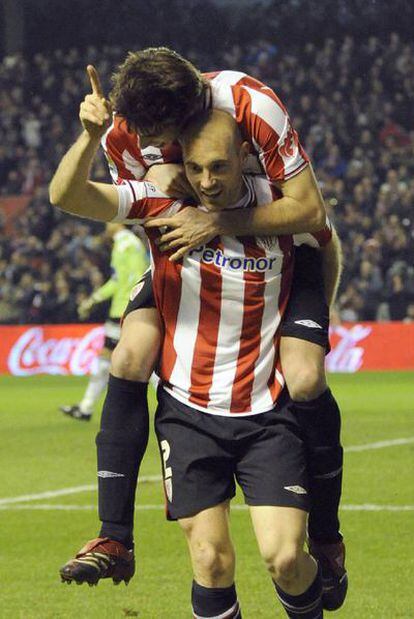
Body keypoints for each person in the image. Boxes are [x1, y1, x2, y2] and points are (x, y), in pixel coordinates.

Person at [51, 49, 346, 611]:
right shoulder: (130, 138)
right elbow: (73, 197)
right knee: (130, 355)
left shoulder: (252, 110)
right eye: (188, 163)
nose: (201, 177)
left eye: (214, 165)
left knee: (305, 377)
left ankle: (327, 538)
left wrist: (215, 221)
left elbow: (312, 218)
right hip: (185, 302)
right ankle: (114, 533)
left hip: (283, 263)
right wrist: (90, 136)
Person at [60, 223, 148, 420]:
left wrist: (97, 299)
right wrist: (95, 298)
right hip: (124, 308)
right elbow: (120, 280)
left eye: (110, 221)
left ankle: (87, 407)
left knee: (139, 360)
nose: (107, 225)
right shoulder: (124, 243)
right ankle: (86, 407)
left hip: (124, 310)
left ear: (119, 223)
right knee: (114, 356)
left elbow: (135, 277)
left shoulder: (127, 244)